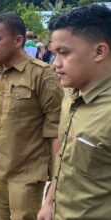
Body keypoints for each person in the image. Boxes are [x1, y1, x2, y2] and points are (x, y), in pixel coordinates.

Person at [0, 14, 64, 220]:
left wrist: (56, 186)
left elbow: (56, 131)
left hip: (26, 174)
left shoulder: (43, 75)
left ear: (18, 40)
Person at [38, 5, 111, 220]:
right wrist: (49, 202)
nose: (55, 64)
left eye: (64, 53)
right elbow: (63, 160)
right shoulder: (70, 96)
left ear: (99, 51)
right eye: (54, 53)